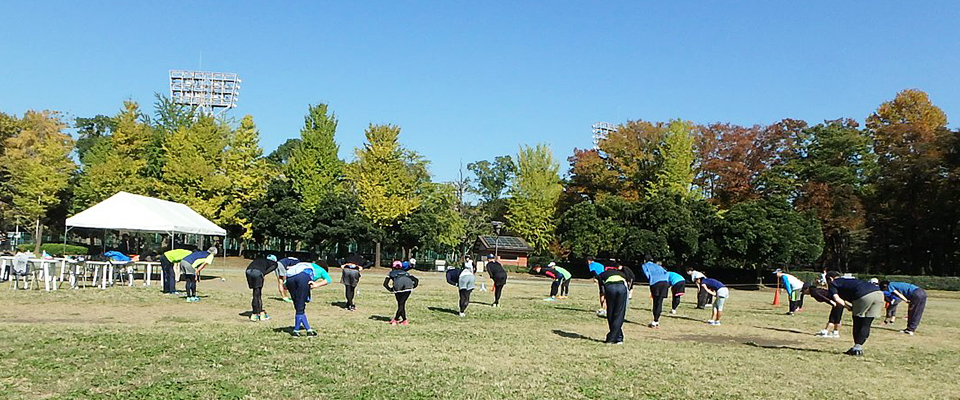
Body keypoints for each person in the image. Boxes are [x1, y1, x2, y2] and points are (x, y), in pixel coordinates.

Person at [825, 271, 884, 356]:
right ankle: (858, 346)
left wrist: (849, 307)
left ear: (830, 278)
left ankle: (856, 348)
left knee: (858, 321)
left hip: (863, 295)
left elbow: (837, 299)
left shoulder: (833, 283)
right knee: (866, 323)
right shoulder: (849, 281)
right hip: (879, 294)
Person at [285, 262, 331, 337]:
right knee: (301, 307)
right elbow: (328, 280)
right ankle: (296, 331)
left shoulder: (306, 264)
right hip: (302, 278)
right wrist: (316, 285)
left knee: (298, 307)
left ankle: (308, 330)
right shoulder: (322, 270)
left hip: (289, 279)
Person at [598, 265, 629, 344]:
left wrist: (602, 303)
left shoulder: (602, 274)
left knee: (611, 313)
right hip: (622, 288)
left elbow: (601, 290)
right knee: (619, 313)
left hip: (610, 287)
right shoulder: (621, 274)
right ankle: (618, 337)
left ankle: (612, 338)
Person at [383, 261, 420, 325]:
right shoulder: (405, 272)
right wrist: (413, 286)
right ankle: (404, 320)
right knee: (402, 304)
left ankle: (395, 319)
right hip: (409, 285)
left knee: (400, 304)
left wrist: (391, 289)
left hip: (398, 286)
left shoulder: (391, 273)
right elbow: (416, 280)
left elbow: (385, 284)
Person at [245, 255, 279, 321]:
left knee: (255, 292)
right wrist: (263, 274)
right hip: (257, 272)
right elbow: (274, 266)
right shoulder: (273, 263)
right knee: (257, 294)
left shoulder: (259, 259)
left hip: (248, 271)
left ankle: (258, 310)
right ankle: (256, 313)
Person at [641, 256, 670, 328]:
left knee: (655, 301)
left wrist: (651, 280)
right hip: (665, 282)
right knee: (660, 302)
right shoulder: (658, 266)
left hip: (655, 283)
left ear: (645, 260)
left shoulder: (645, 265)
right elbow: (666, 273)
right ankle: (656, 320)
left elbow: (646, 274)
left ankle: (654, 321)